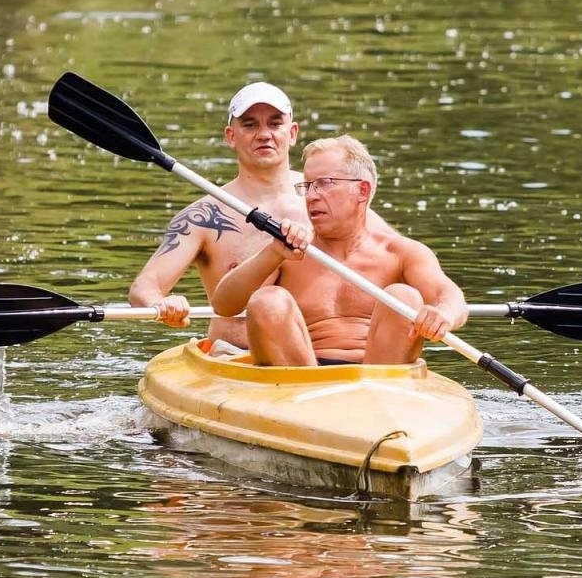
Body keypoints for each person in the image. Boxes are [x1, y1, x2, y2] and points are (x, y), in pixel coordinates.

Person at [211, 134, 467, 366]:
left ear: (362, 190)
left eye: (325, 183)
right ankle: (306, 405)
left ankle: (377, 400)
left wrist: (443, 314)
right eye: (308, 185)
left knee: (404, 296)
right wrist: (273, 252)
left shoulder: (402, 253)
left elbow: (451, 296)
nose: (311, 196)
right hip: (298, 376)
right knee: (267, 301)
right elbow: (223, 305)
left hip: (380, 378)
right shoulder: (288, 249)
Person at [127, 82, 309, 348]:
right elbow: (143, 287)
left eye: (274, 123)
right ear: (231, 136)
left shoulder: (326, 198)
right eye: (249, 125)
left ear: (292, 133)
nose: (263, 134)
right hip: (233, 359)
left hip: (319, 361)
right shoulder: (203, 216)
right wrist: (161, 303)